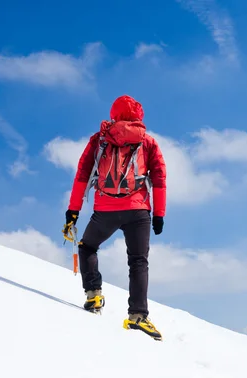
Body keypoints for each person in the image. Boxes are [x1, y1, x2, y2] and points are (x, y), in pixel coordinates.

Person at [62, 94, 166, 341]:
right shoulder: (148, 142)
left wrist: (73, 210)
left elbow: (82, 174)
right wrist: (159, 214)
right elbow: (160, 178)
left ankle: (94, 294)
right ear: (139, 116)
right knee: (138, 261)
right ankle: (138, 316)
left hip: (105, 210)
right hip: (138, 210)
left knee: (87, 247)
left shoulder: (99, 140)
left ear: (114, 113)